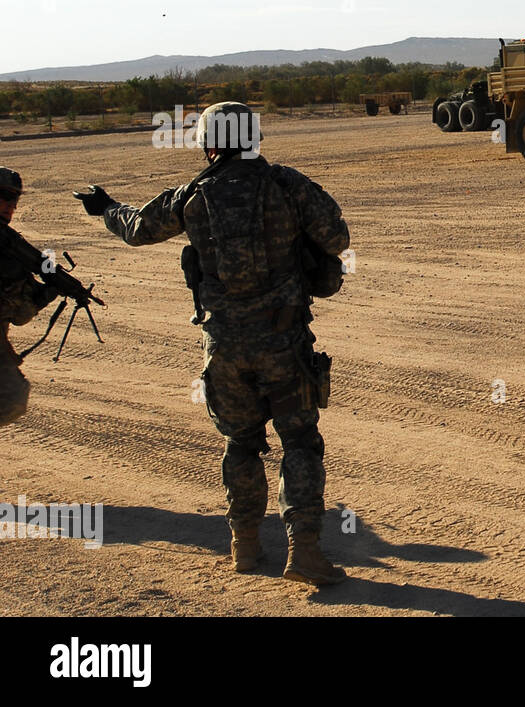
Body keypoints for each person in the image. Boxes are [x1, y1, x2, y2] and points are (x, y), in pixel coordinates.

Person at [74, 102, 351, 585]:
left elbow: (138, 229)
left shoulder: (193, 195)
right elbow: (337, 236)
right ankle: (303, 553)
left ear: (211, 143)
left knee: (241, 445)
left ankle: (244, 548)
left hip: (223, 346)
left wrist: (105, 209)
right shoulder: (288, 185)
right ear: (253, 137)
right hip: (284, 340)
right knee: (300, 443)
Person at [0, 168, 60, 426]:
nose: (11, 205)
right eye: (4, 196)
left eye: (15, 200)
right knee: (12, 396)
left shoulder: (8, 243)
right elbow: (20, 313)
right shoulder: (7, 247)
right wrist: (46, 293)